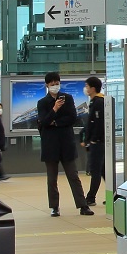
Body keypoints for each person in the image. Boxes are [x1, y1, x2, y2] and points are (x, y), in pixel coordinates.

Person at [38, 73, 90, 217]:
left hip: (66, 143)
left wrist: (55, 122)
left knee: (73, 175)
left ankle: (83, 205)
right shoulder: (42, 102)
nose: (55, 85)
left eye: (57, 82)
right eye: (52, 83)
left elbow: (72, 117)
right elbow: (43, 121)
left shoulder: (67, 98)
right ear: (47, 85)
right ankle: (54, 207)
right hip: (50, 145)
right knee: (52, 179)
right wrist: (54, 109)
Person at [81, 75, 106, 207]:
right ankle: (114, 195)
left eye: (87, 86)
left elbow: (98, 123)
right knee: (102, 171)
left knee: (96, 170)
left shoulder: (98, 102)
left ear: (93, 88)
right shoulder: (94, 102)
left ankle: (91, 197)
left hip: (98, 143)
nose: (85, 89)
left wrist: (93, 139)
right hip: (96, 142)